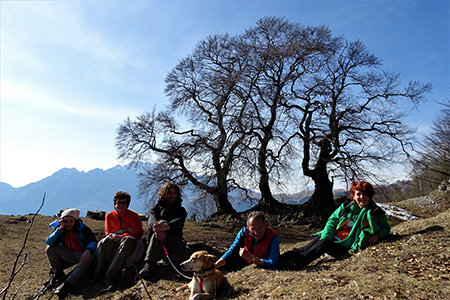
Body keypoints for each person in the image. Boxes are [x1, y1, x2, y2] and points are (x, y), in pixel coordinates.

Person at [277, 180, 391, 270]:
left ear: (370, 196)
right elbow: (332, 221)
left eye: (365, 194)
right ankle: (277, 259)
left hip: (345, 247)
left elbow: (386, 228)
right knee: (306, 247)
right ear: (353, 195)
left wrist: (377, 236)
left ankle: (297, 264)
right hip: (332, 237)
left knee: (324, 244)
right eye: (358, 194)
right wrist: (326, 236)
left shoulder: (376, 212)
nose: (362, 197)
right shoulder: (346, 207)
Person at [90, 191, 144, 291]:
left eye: (124, 203)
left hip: (130, 242)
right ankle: (99, 272)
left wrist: (123, 236)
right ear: (115, 203)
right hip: (115, 241)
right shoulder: (109, 216)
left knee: (127, 240)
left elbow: (138, 233)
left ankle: (111, 275)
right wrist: (118, 235)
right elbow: (108, 233)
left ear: (127, 204)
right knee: (106, 242)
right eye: (119, 202)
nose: (121, 205)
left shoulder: (133, 216)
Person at [139, 182, 192, 279]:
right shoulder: (154, 210)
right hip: (156, 241)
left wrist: (166, 226)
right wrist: (159, 229)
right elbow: (151, 224)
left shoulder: (181, 210)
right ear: (164, 194)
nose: (172, 195)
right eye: (170, 193)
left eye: (174, 193)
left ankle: (160, 264)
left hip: (174, 241)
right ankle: (149, 265)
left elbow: (178, 222)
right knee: (159, 224)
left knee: (188, 253)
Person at [44, 208, 97, 298]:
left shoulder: (83, 229)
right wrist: (59, 229)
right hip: (68, 254)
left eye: (71, 221)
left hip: (81, 254)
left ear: (75, 220)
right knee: (49, 249)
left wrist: (88, 250)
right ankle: (58, 273)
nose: (68, 224)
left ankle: (68, 283)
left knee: (90, 256)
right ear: (62, 221)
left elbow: (93, 242)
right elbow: (49, 242)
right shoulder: (61, 230)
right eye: (66, 221)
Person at [215, 211, 280, 270]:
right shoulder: (244, 232)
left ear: (265, 226)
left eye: (259, 228)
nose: (256, 232)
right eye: (253, 229)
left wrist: (252, 258)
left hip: (259, 263)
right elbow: (233, 250)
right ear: (248, 227)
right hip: (243, 260)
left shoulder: (273, 238)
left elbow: (272, 264)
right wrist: (216, 265)